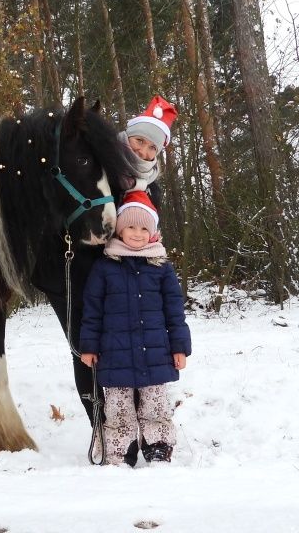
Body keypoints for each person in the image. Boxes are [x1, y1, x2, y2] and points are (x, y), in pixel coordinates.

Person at [31, 95, 178, 435]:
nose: (142, 151)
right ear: (126, 138)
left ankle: (141, 428)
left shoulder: (152, 190)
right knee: (86, 349)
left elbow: (148, 238)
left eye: (151, 148)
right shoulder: (94, 166)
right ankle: (102, 428)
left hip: (124, 283)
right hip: (72, 273)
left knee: (130, 353)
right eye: (139, 140)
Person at [79, 191, 191, 466]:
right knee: (118, 408)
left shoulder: (162, 267)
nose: (137, 233)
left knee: (155, 404)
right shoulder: (105, 266)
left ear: (152, 232)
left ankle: (159, 446)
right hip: (114, 354)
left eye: (144, 228)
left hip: (156, 353)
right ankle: (119, 450)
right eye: (130, 226)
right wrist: (89, 346)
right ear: (119, 228)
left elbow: (175, 312)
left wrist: (180, 347)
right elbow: (92, 310)